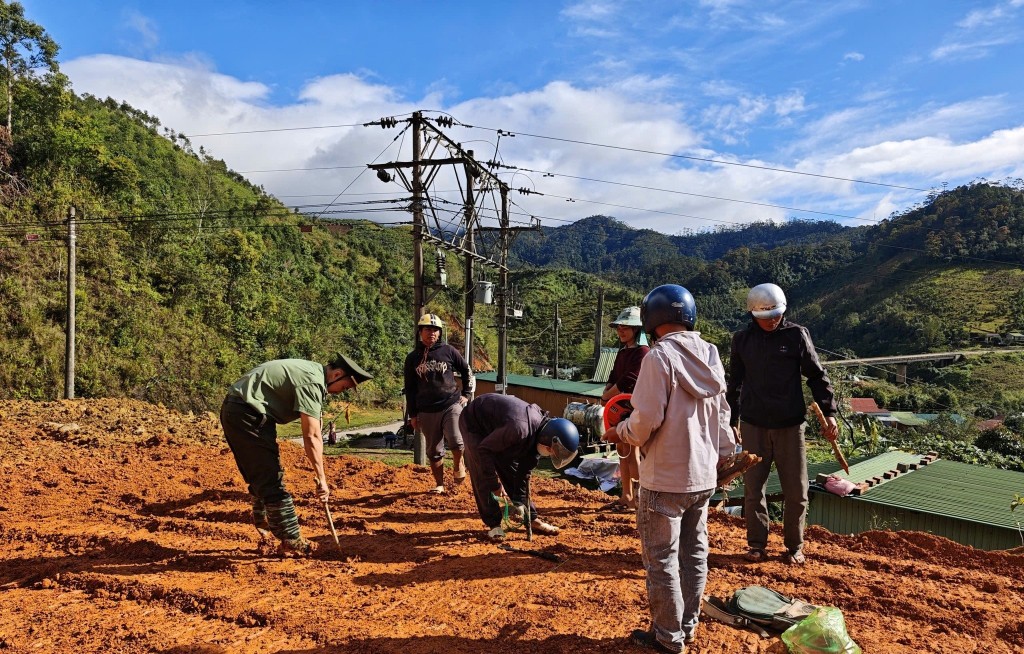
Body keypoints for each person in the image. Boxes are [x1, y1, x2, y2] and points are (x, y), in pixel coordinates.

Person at [602, 284, 735, 653]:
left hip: (664, 479)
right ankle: (687, 628)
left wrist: (619, 432)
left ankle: (668, 639)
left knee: (661, 562)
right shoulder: (710, 353)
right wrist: (725, 454)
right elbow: (723, 416)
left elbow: (644, 421)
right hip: (703, 476)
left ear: (651, 320)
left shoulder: (659, 357)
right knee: (694, 555)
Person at [726, 283, 838, 566]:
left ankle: (794, 546)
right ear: (753, 314)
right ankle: (756, 545)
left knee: (796, 491)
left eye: (776, 315)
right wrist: (731, 420)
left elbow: (816, 375)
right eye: (766, 317)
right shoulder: (742, 340)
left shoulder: (796, 335)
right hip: (753, 424)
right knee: (754, 489)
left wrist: (830, 412)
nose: (772, 321)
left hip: (790, 425)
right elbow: (734, 383)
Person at [220, 353, 373, 555]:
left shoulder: (311, 372)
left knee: (261, 474)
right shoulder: (312, 382)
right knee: (270, 477)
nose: (339, 393)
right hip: (247, 414)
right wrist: (322, 479)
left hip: (239, 411)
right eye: (343, 387)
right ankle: (291, 540)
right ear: (337, 374)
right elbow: (312, 436)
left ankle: (266, 530)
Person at [459, 393, 580, 541]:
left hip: (500, 429)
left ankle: (532, 519)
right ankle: (494, 525)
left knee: (511, 470)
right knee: (482, 471)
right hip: (474, 422)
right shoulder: (519, 430)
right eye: (551, 450)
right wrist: (495, 485)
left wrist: (520, 501)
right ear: (549, 440)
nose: (549, 454)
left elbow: (523, 473)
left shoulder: (538, 436)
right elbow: (484, 450)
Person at [403, 313, 475, 494]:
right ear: (420, 332)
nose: (432, 333)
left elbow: (466, 370)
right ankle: (440, 484)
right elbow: (409, 388)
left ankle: (458, 464)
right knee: (433, 450)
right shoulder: (412, 358)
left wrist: (467, 394)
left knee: (456, 440)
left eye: (436, 330)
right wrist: (413, 414)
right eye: (428, 329)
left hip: (451, 403)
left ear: (440, 333)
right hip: (426, 409)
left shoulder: (449, 351)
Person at [601, 306, 649, 511]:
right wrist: (606, 393)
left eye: (626, 327)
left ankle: (638, 499)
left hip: (633, 409)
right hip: (619, 409)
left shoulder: (643, 352)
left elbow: (630, 380)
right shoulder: (623, 352)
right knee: (621, 450)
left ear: (636, 329)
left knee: (632, 452)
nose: (621, 331)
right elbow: (614, 376)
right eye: (619, 327)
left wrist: (607, 396)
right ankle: (626, 495)